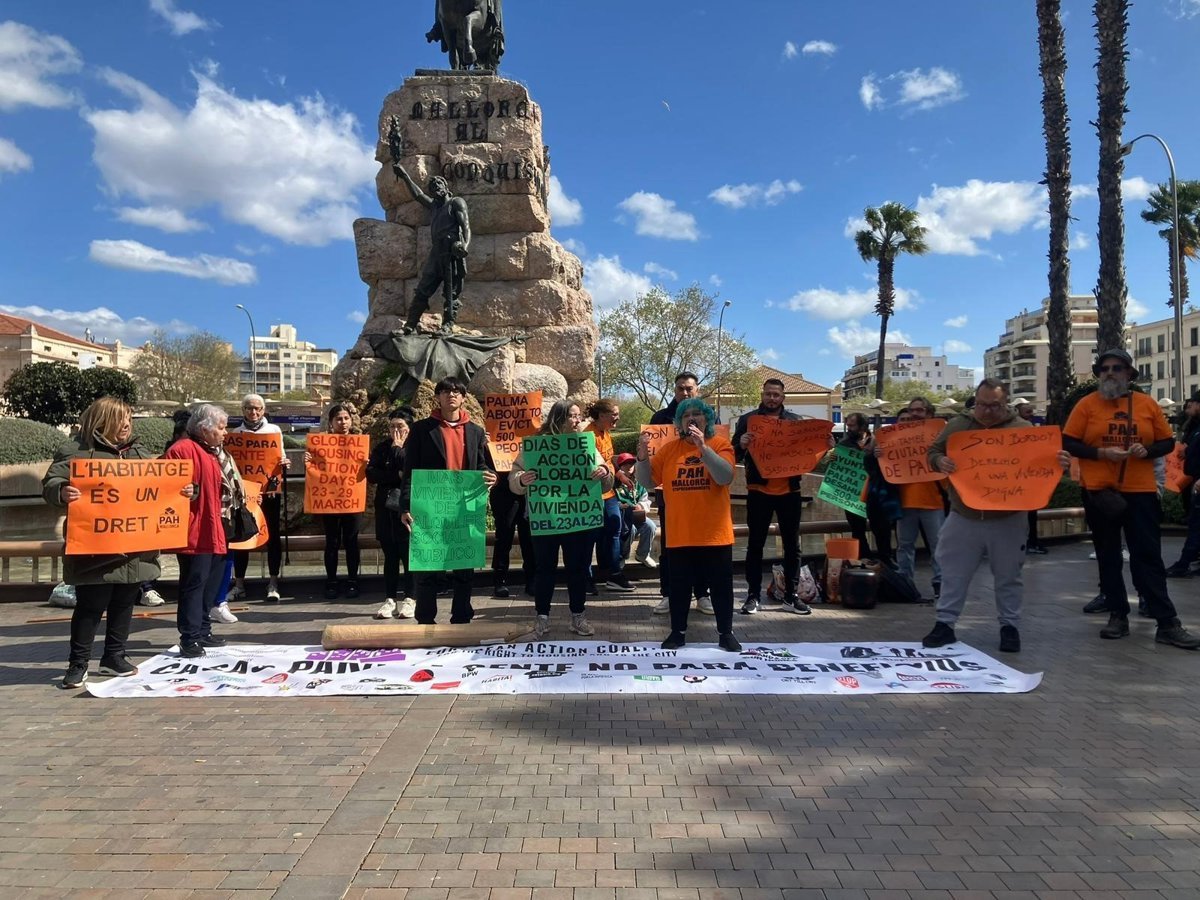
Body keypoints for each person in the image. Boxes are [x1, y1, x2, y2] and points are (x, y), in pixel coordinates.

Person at [42, 397, 190, 688]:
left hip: (135, 548)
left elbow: (159, 485)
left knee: (124, 603)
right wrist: (61, 491)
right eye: (121, 419)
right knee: (91, 606)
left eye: (129, 419)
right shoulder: (76, 451)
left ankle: (114, 657)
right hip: (95, 547)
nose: (126, 425)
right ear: (104, 421)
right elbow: (51, 482)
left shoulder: (137, 451)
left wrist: (183, 490)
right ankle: (78, 664)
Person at [1062, 349, 1200, 649]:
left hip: (1140, 492)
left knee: (1148, 556)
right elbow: (1069, 441)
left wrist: (1146, 451)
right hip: (1100, 492)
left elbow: (1166, 442)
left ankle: (1167, 623)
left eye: (1117, 368)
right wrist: (1101, 453)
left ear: (1128, 374)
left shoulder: (1146, 404)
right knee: (1108, 555)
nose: (1110, 373)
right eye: (1104, 369)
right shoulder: (1086, 405)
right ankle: (1117, 615)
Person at [921, 379, 1030, 653]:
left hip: (1008, 516)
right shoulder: (958, 425)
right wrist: (939, 461)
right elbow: (933, 452)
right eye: (982, 405)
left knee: (1009, 575)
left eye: (994, 406)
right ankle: (945, 624)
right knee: (953, 573)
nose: (987, 411)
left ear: (1006, 403)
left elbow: (1042, 463)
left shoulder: (1023, 429)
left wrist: (1058, 461)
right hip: (964, 514)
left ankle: (1009, 627)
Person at [637, 397, 742, 652]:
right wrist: (642, 458)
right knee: (679, 588)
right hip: (680, 533)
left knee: (721, 587)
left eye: (697, 414)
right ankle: (678, 633)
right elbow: (648, 483)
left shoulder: (720, 444)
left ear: (707, 419)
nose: (691, 418)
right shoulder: (669, 450)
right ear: (679, 422)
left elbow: (724, 477)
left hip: (714, 533)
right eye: (685, 416)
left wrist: (703, 447)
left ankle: (725, 633)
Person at [510, 400, 612, 638]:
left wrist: (605, 472)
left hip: (577, 519)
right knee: (544, 569)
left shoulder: (586, 444)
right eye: (573, 416)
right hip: (545, 517)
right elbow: (514, 477)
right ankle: (542, 617)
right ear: (559, 418)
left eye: (579, 416)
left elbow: (606, 479)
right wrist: (521, 479)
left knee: (577, 569)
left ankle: (578, 616)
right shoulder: (536, 445)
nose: (578, 421)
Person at [401, 377, 496, 624]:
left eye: (456, 391)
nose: (451, 395)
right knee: (427, 566)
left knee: (464, 567)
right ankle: (425, 618)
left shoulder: (475, 431)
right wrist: (405, 506)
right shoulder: (421, 430)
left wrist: (490, 477)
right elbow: (410, 471)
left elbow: (482, 466)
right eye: (445, 391)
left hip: (463, 508)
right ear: (438, 397)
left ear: (463, 398)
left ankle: (462, 616)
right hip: (430, 508)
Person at [164, 404, 243, 658]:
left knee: (210, 584)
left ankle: (203, 630)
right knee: (194, 585)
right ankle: (189, 637)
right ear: (204, 429)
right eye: (221, 428)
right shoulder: (181, 450)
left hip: (216, 528)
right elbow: (166, 487)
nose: (225, 432)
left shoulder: (213, 452)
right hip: (195, 532)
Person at [733, 377, 810, 615]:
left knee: (792, 546)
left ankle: (791, 596)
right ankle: (753, 596)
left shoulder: (795, 422)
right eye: (768, 394)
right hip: (759, 491)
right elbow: (733, 454)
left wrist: (825, 446)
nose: (772, 398)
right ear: (762, 395)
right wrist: (741, 444)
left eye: (776, 394)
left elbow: (807, 453)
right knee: (755, 545)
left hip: (790, 491)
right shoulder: (747, 420)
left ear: (783, 397)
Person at [649, 371, 713, 616]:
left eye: (689, 388)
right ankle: (668, 594)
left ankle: (702, 594)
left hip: (702, 493)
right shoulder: (660, 418)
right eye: (680, 388)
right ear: (674, 390)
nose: (685, 392)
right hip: (670, 494)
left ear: (697, 390)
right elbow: (654, 457)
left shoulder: (709, 415)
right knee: (669, 546)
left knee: (703, 546)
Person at [391, 162, 471, 335]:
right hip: (437, 252)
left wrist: (464, 245)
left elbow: (466, 226)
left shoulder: (456, 203)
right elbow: (418, 195)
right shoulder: (434, 206)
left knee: (451, 291)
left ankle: (447, 325)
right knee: (423, 289)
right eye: (432, 186)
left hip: (452, 250)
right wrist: (404, 175)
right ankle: (410, 326)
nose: (435, 187)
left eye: (438, 184)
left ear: (446, 187)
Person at [226, 394, 291, 605]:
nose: (253, 412)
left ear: (263, 410)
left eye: (257, 408)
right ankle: (239, 584)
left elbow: (280, 456)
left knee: (272, 535)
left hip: (269, 492)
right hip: (245, 493)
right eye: (249, 408)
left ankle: (273, 582)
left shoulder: (274, 431)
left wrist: (285, 462)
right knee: (241, 535)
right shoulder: (235, 434)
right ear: (243, 410)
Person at [305, 403, 363, 600]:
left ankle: (353, 581)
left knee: (351, 541)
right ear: (331, 422)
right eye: (338, 419)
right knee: (332, 542)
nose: (343, 422)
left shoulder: (359, 444)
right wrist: (309, 460)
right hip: (329, 500)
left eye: (346, 418)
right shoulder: (321, 445)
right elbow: (315, 470)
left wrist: (367, 463)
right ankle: (331, 581)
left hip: (352, 499)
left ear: (351, 421)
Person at [367, 408, 415, 620]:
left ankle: (410, 598)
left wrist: (398, 449)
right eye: (392, 426)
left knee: (408, 554)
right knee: (390, 555)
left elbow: (410, 472)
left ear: (409, 428)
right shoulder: (381, 448)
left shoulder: (414, 446)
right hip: (386, 508)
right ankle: (390, 599)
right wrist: (395, 475)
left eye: (400, 426)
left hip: (408, 507)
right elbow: (371, 473)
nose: (396, 430)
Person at [891, 408, 944, 599]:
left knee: (938, 545)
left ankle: (940, 583)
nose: (906, 422)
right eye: (903, 419)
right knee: (904, 546)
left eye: (909, 418)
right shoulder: (891, 444)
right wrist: (876, 452)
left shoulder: (934, 441)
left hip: (933, 502)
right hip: (905, 503)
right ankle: (906, 585)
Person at [585, 398, 634, 592]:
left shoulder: (606, 433)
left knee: (615, 528)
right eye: (614, 414)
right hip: (591, 493)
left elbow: (608, 460)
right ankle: (586, 578)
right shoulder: (588, 434)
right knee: (590, 535)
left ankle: (614, 574)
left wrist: (620, 475)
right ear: (602, 415)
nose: (617, 418)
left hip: (608, 491)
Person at [1165, 395, 1200, 577]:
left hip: (1198, 482)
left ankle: (1183, 564)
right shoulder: (1194, 427)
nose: (1189, 406)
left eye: (1192, 404)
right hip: (1192, 480)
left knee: (1196, 524)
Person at [489, 468, 535, 599]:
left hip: (529, 492)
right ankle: (500, 580)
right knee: (504, 536)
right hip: (504, 491)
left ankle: (531, 579)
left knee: (529, 538)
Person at [1015, 401, 1050, 555]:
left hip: (1032, 478)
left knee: (1031, 513)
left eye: (1031, 410)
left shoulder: (1036, 425)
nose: (1031, 414)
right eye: (1027, 411)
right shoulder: (1016, 428)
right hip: (1021, 478)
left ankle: (1032, 541)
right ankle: (1028, 542)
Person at [613, 453, 658, 567]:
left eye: (631, 464)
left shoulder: (639, 482)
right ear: (619, 467)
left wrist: (640, 506)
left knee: (650, 526)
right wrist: (620, 505)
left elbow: (645, 499)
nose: (629, 467)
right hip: (622, 516)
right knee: (630, 529)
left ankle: (642, 555)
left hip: (637, 515)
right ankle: (622, 557)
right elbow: (610, 502)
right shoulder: (614, 483)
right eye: (625, 464)